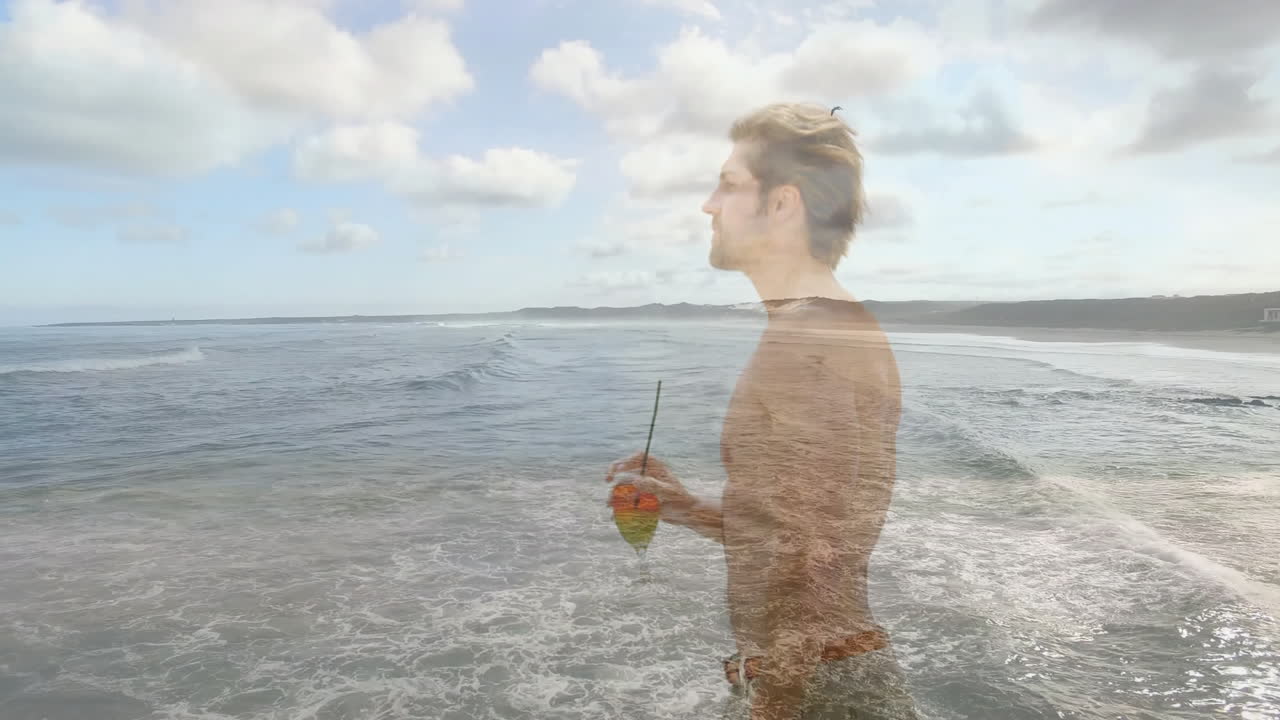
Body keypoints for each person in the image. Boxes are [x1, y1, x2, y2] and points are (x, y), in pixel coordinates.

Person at [606, 103, 919, 719]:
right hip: (824, 672)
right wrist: (686, 506)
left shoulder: (804, 340)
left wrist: (774, 703)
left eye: (729, 185)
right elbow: (795, 525)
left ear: (782, 204)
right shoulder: (830, 326)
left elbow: (813, 555)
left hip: (818, 687)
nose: (709, 206)